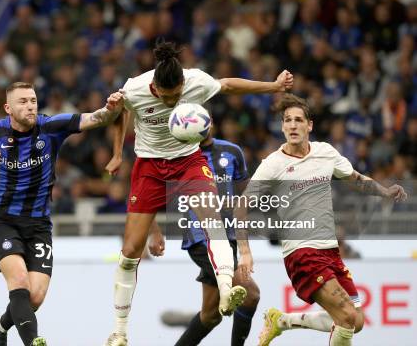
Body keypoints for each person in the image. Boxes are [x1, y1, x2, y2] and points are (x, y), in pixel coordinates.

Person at [104, 40, 293, 346]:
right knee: (130, 253)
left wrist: (272, 86)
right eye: (167, 98)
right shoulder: (135, 88)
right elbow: (120, 113)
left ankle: (227, 288)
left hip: (187, 160)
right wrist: (117, 154)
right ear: (154, 87)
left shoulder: (195, 80)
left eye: (177, 95)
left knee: (213, 220)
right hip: (149, 165)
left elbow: (230, 86)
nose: (172, 101)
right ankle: (120, 331)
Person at [0, 82, 124, 346]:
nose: (30, 106)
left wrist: (109, 107)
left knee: (34, 298)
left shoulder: (50, 127)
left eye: (33, 100)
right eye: (22, 101)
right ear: (8, 108)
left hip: (38, 225)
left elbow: (97, 118)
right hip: (1, 220)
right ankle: (33, 342)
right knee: (20, 281)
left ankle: (0, 327)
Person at [234, 94, 407, 346]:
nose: (293, 125)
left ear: (309, 125)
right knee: (347, 315)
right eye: (288, 121)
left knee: (355, 321)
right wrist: (245, 251)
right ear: (282, 127)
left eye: (298, 120)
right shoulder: (273, 164)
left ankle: (281, 321)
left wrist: (384, 190)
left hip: (330, 251)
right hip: (301, 252)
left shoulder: (325, 152)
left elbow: (356, 179)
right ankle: (281, 322)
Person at [156, 126, 261, 346]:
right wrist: (153, 230)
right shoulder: (179, 156)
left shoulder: (232, 152)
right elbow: (150, 190)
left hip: (229, 239)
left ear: (209, 121)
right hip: (201, 239)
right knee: (250, 294)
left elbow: (246, 196)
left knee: (210, 315)